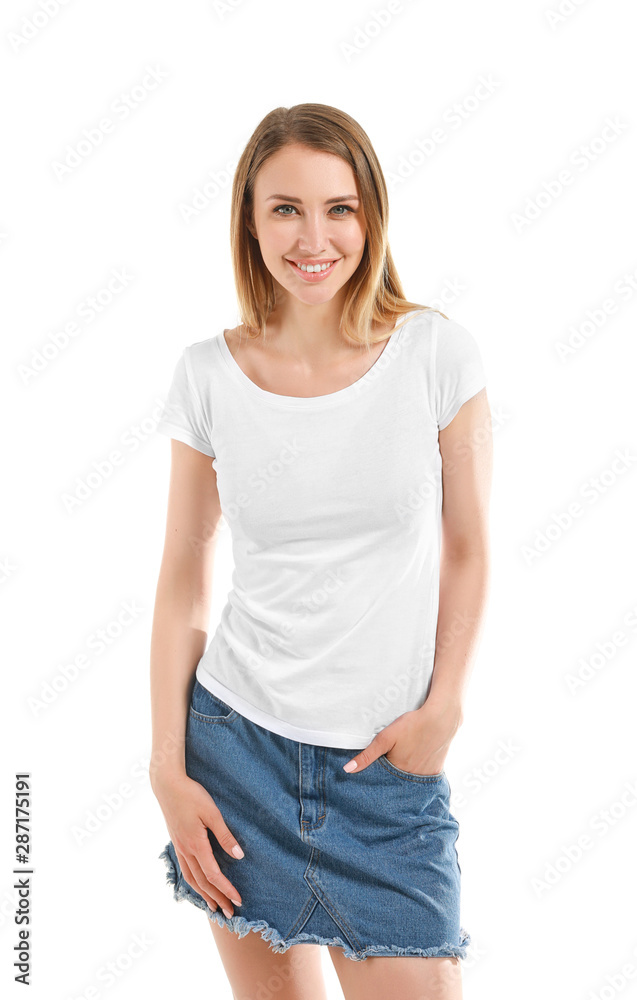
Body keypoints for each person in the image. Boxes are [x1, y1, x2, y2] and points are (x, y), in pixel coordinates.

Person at [150, 102, 492, 1000]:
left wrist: (445, 707)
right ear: (249, 220)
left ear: (371, 216)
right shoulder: (208, 375)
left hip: (385, 772)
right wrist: (166, 768)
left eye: (338, 207)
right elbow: (184, 577)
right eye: (285, 208)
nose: (313, 237)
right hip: (237, 756)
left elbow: (469, 549)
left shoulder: (436, 355)